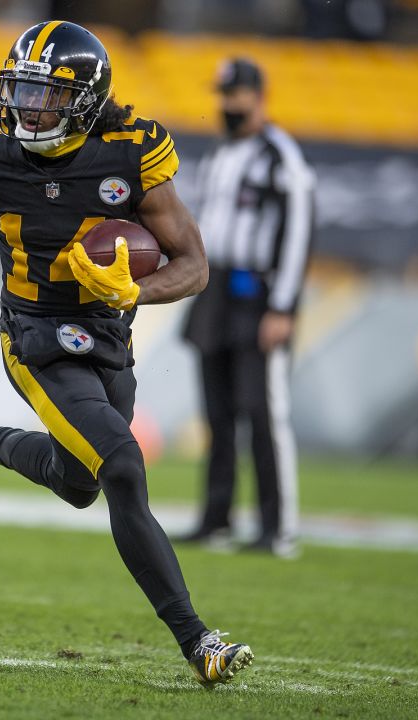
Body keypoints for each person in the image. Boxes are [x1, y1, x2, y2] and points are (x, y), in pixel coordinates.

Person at [0, 21, 253, 686]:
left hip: (106, 333)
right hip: (35, 334)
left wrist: (134, 290)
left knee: (81, 485)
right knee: (123, 468)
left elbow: (193, 265)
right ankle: (198, 641)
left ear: (87, 99)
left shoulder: (131, 152)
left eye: (46, 94)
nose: (27, 108)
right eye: (21, 90)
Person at [180, 58, 315, 557]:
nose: (225, 105)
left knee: (263, 413)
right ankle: (216, 518)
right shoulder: (221, 155)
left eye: (233, 94)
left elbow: (300, 229)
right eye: (221, 94)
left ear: (258, 95)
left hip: (258, 295)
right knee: (217, 413)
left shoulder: (280, 156)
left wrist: (283, 305)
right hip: (215, 291)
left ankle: (276, 528)